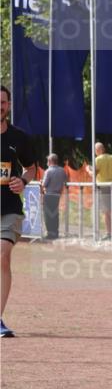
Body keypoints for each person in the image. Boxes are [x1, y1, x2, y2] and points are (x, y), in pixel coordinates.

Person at [0, 84, 38, 337]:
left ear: (9, 105)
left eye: (3, 102)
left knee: (1, 255)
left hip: (9, 208)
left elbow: (32, 168)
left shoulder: (18, 138)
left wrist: (22, 181)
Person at [88, 142, 112, 239]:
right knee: (110, 210)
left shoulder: (97, 159)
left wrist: (88, 170)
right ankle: (111, 232)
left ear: (97, 150)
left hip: (103, 186)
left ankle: (109, 233)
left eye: (95, 150)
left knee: (106, 212)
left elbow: (94, 174)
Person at [40, 153, 67, 240]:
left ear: (50, 161)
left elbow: (44, 184)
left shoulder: (48, 171)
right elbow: (66, 181)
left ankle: (50, 233)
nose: (47, 162)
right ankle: (55, 232)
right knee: (55, 214)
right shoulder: (62, 170)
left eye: (48, 160)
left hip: (49, 195)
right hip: (57, 195)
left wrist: (41, 182)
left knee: (48, 214)